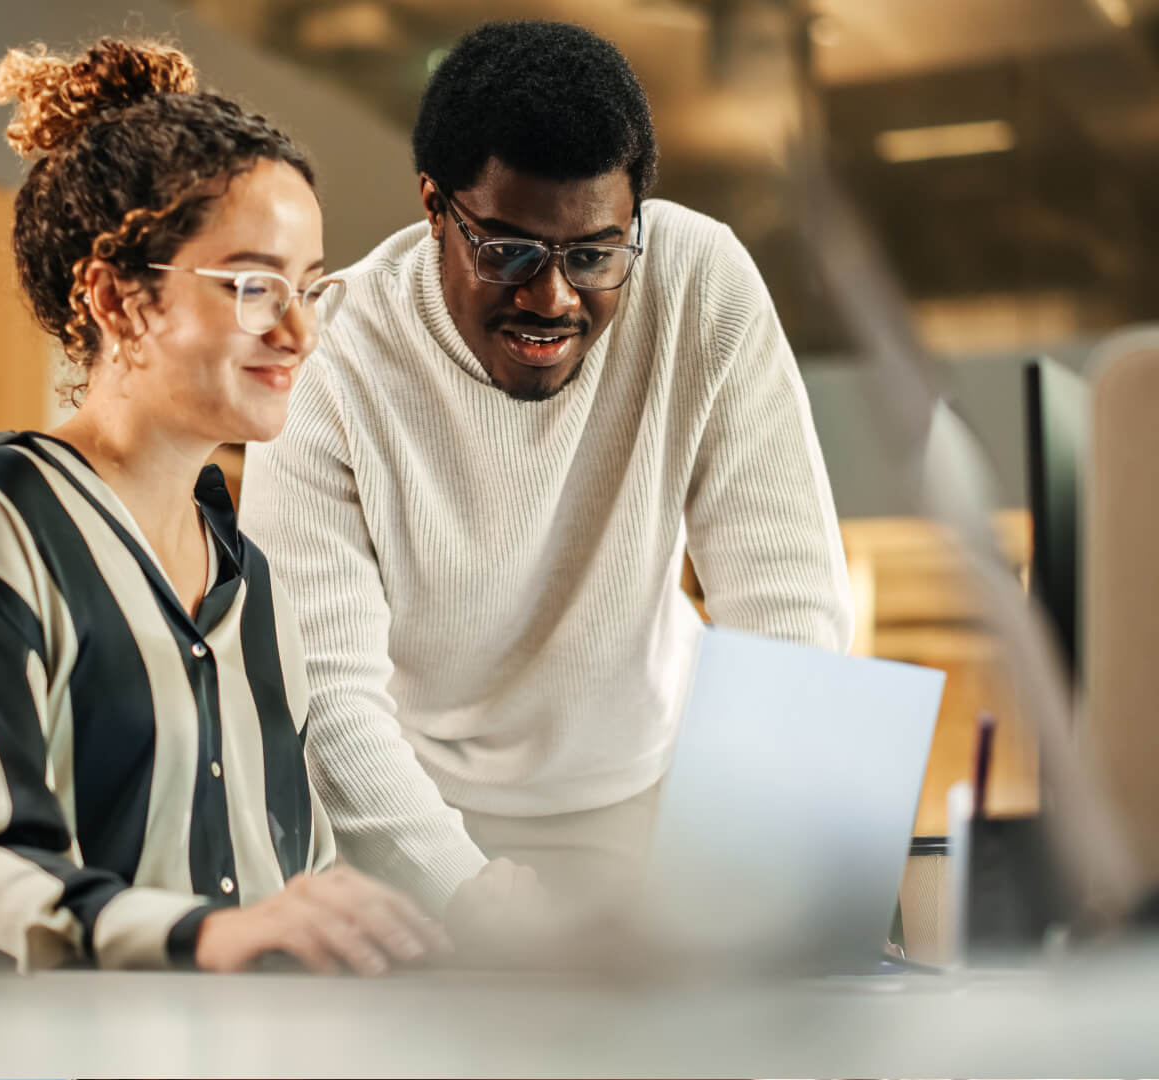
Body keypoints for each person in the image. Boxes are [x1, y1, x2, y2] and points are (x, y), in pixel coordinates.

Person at [0, 37, 448, 973]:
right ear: (117, 300)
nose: (298, 331)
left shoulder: (255, 586)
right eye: (255, 285)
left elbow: (296, 884)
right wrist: (210, 938)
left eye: (309, 288)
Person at [239, 20, 854, 917]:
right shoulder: (333, 359)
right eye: (509, 252)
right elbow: (326, 695)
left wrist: (742, 871)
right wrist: (468, 896)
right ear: (433, 207)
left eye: (594, 255)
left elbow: (788, 604)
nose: (553, 298)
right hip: (414, 816)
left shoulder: (699, 282)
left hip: (651, 796)